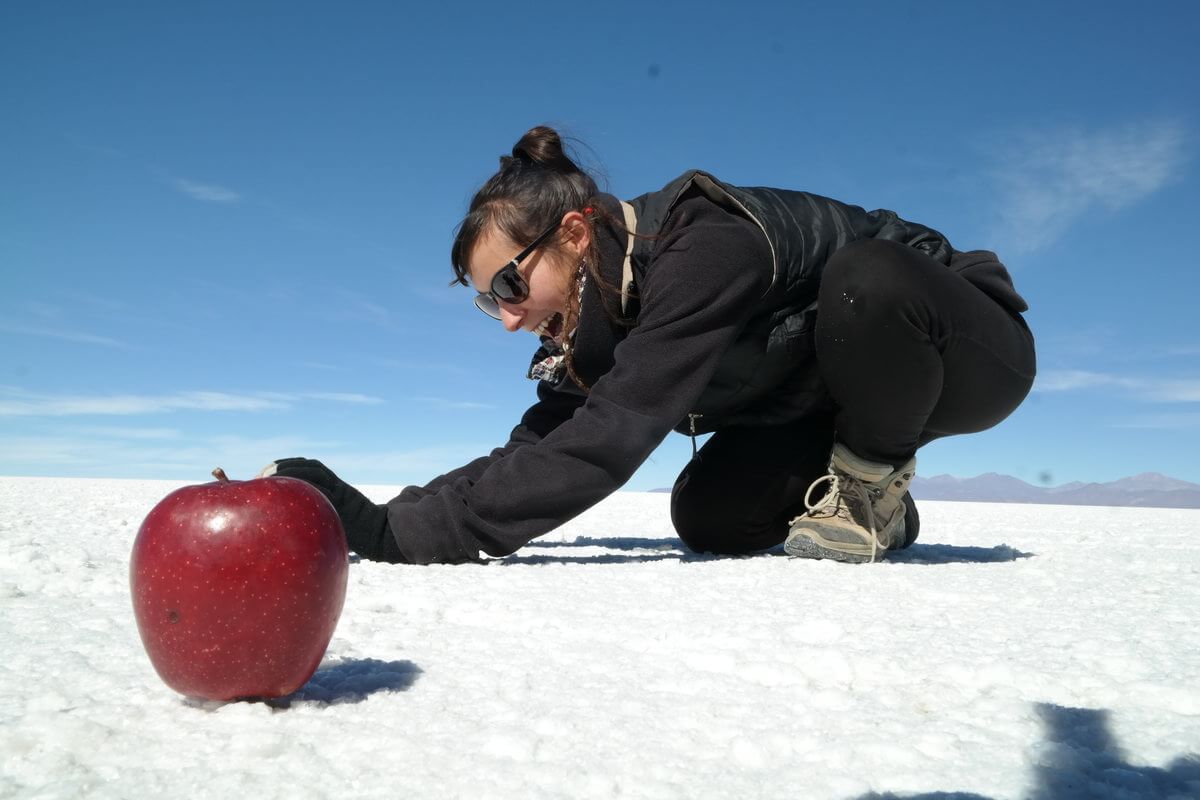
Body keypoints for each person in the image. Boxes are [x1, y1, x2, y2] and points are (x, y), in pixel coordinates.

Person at [263, 126, 1036, 565]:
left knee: (868, 279)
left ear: (572, 234)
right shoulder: (592, 325)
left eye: (506, 286)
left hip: (957, 347)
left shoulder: (699, 246)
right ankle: (882, 507)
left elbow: (611, 438)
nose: (505, 318)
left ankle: (869, 486)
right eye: (483, 302)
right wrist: (381, 518)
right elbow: (540, 445)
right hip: (822, 402)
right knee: (711, 517)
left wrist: (407, 540)